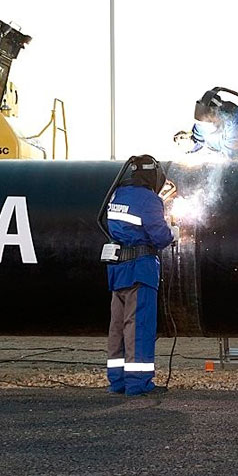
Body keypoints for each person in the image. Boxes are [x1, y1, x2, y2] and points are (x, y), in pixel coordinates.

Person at [105, 155, 178, 397]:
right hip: (140, 270)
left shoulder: (118, 194)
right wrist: (173, 232)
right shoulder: (149, 199)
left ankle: (117, 381)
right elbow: (160, 236)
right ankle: (139, 383)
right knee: (139, 327)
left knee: (117, 327)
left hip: (118, 270)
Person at [174, 88, 238, 162]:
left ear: (217, 113)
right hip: (233, 158)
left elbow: (233, 157)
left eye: (207, 121)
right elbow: (199, 138)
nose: (204, 125)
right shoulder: (203, 123)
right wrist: (190, 144)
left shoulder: (234, 121)